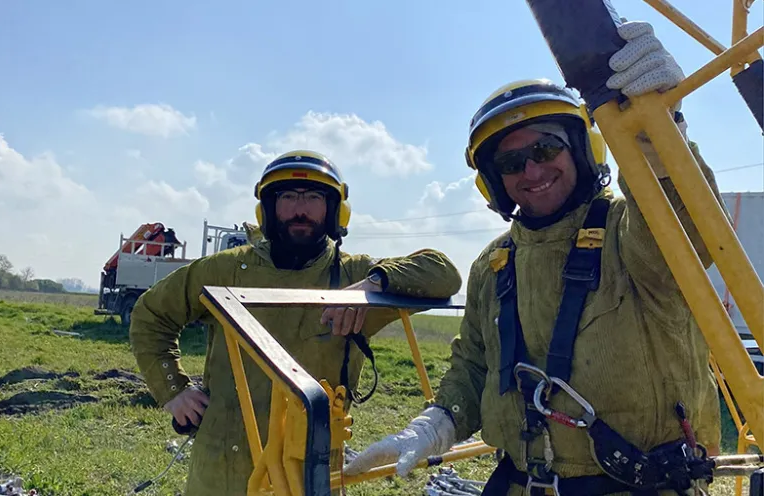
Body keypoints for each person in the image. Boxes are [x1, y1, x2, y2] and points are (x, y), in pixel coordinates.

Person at [344, 20, 724, 495]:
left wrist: (655, 133)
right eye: (510, 162)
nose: (532, 170)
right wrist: (435, 424)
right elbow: (474, 365)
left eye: (547, 148)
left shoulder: (629, 232)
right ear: (493, 181)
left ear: (584, 149)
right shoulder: (495, 262)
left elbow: (690, 236)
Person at [128, 149, 462, 496]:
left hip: (311, 466)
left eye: (314, 198)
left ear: (334, 211)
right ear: (269, 209)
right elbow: (151, 315)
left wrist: (372, 286)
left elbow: (443, 272)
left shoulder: (354, 275)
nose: (299, 210)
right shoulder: (224, 270)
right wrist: (174, 390)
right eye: (288, 197)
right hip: (222, 465)